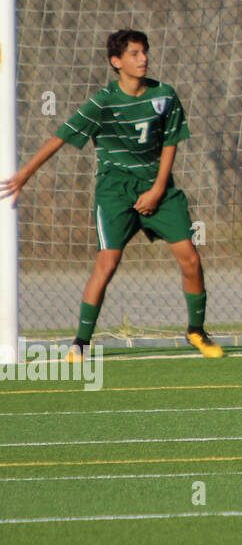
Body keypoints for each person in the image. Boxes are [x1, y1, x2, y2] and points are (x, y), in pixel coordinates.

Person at [0, 29, 221, 360]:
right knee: (108, 262)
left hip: (158, 187)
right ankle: (80, 342)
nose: (143, 58)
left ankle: (196, 331)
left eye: (144, 51)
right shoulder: (103, 102)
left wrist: (159, 188)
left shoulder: (165, 95)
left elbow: (171, 143)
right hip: (115, 192)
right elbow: (60, 137)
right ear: (116, 62)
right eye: (134, 54)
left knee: (190, 257)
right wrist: (24, 175)